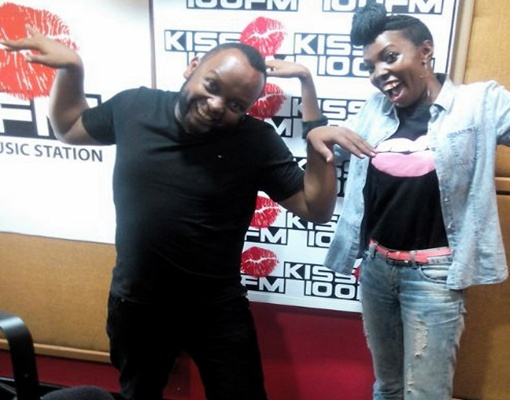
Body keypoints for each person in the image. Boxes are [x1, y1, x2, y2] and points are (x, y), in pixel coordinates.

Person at [0, 27, 373, 400]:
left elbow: (314, 209)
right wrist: (72, 70)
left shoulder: (255, 140)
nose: (217, 105)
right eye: (212, 85)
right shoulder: (134, 107)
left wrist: (317, 147)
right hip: (138, 304)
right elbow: (69, 127)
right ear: (192, 67)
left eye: (235, 105)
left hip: (217, 308)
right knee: (138, 396)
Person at [305, 3, 510, 400]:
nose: (379, 73)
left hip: (433, 277)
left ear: (425, 50)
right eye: (370, 66)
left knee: (425, 394)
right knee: (388, 388)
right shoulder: (375, 109)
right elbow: (329, 149)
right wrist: (314, 114)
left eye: (390, 57)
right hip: (376, 271)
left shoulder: (480, 103)